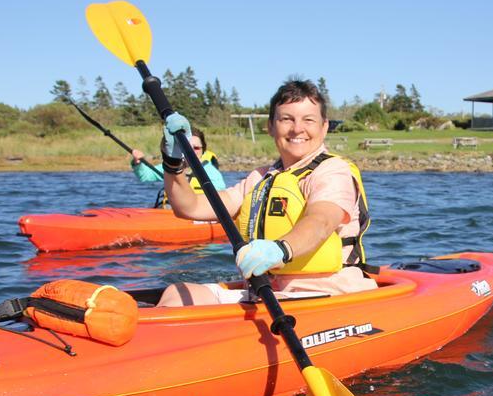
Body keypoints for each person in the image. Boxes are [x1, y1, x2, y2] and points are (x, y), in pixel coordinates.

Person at [156, 79, 375, 307]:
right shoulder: (260, 178)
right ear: (270, 126)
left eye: (308, 120)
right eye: (286, 119)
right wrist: (173, 162)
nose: (297, 128)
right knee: (177, 293)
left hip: (326, 295)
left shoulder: (332, 170)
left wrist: (279, 249)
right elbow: (189, 207)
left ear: (325, 126)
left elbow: (321, 220)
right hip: (265, 294)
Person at [130, 125, 226, 207]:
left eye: (196, 148)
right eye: (187, 147)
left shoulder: (212, 173)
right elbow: (145, 176)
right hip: (168, 216)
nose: (191, 151)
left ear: (203, 150)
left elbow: (220, 201)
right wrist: (138, 162)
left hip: (196, 217)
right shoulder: (171, 167)